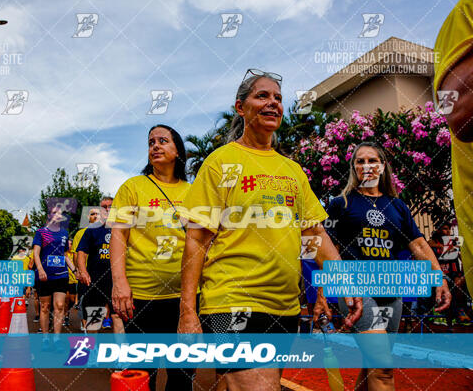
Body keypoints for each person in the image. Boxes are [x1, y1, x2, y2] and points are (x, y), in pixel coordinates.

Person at [177, 70, 362, 391]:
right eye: (262, 96)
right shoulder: (220, 162)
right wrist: (188, 311)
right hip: (230, 300)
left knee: (234, 383)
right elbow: (196, 240)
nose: (273, 103)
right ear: (240, 107)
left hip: (285, 308)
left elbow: (314, 235)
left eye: (277, 97)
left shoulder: (292, 170)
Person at [326, 142, 451, 390]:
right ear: (353, 168)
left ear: (382, 167)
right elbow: (328, 252)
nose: (366, 166)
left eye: (372, 160)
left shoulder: (397, 206)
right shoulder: (342, 204)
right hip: (356, 289)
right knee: (383, 367)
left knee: (373, 363)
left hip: (391, 290)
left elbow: (419, 246)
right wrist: (321, 294)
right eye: (360, 161)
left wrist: (439, 278)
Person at [109, 124, 195, 391]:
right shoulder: (133, 186)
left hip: (185, 299)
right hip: (141, 297)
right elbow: (118, 236)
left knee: (182, 374)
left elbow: (203, 242)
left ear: (178, 150)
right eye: (151, 142)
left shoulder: (194, 192)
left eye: (163, 141)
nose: (155, 146)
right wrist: (119, 283)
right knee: (142, 371)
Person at [434, 0, 473, 298]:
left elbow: (416, 241)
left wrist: (440, 280)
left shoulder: (395, 207)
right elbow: (459, 112)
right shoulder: (466, 10)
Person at [33, 203, 76, 351]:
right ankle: (45, 338)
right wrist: (40, 269)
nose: (57, 215)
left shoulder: (64, 233)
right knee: (45, 307)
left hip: (61, 275)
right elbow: (36, 253)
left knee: (59, 306)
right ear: (49, 216)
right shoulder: (41, 232)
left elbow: (65, 255)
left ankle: (57, 339)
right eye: (54, 213)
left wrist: (75, 270)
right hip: (44, 275)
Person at [76, 198, 123, 333]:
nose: (107, 209)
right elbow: (81, 253)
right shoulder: (92, 230)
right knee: (94, 317)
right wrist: (83, 272)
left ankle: (121, 350)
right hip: (95, 280)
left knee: (117, 315)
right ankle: (93, 350)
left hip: (116, 281)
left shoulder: (122, 229)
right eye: (104, 207)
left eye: (111, 207)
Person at [429, 223, 471, 326]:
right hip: (436, 274)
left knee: (459, 284)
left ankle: (458, 312)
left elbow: (455, 262)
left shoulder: (452, 244)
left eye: (449, 229)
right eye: (444, 229)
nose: (447, 232)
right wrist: (442, 246)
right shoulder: (432, 243)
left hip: (450, 274)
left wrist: (457, 276)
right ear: (439, 230)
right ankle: (438, 312)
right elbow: (427, 245)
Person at [70, 208, 100, 331]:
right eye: (92, 214)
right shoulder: (81, 233)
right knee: (84, 301)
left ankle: (94, 328)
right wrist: (79, 271)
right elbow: (76, 254)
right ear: (88, 217)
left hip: (99, 273)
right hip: (85, 274)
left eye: (97, 214)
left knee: (98, 304)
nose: (95, 216)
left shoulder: (105, 231)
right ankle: (86, 328)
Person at [64, 238, 78, 327]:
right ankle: (66, 317)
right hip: (65, 279)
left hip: (74, 280)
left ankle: (67, 311)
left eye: (70, 244)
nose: (69, 245)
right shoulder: (64, 254)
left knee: (72, 300)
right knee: (66, 299)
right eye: (68, 244)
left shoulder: (75, 255)